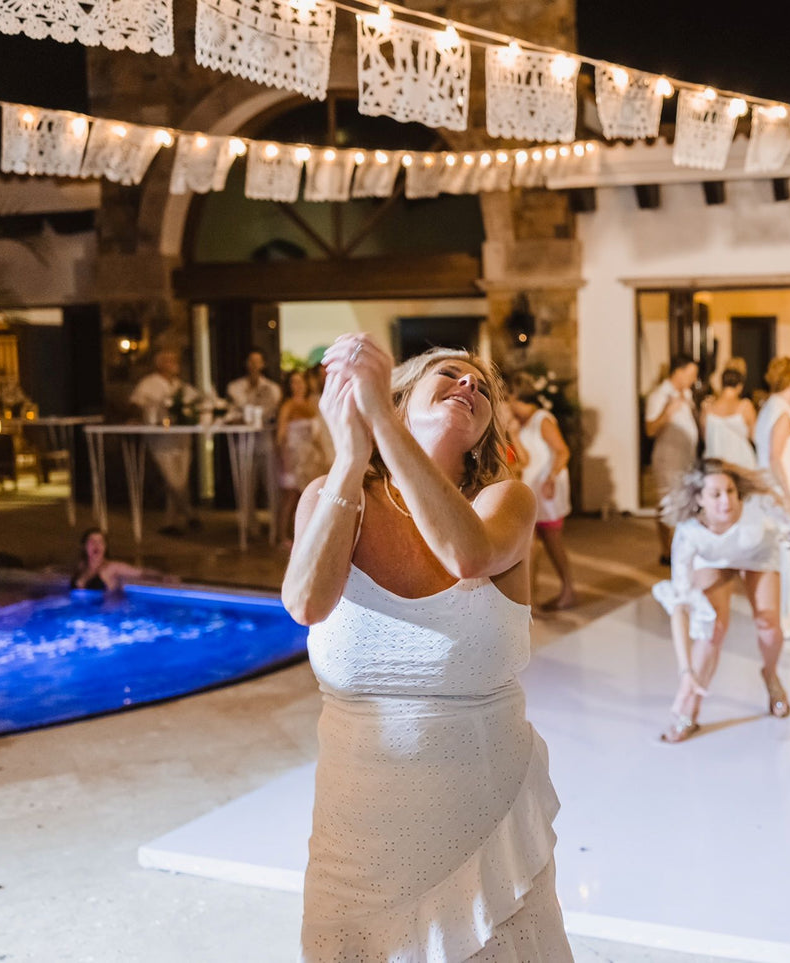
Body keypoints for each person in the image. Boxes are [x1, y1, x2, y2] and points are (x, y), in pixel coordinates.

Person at [283, 336, 571, 961]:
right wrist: (350, 458)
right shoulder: (330, 498)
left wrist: (381, 424)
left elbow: (467, 556)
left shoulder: (505, 501)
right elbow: (306, 603)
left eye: (481, 387)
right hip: (357, 831)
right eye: (450, 374)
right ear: (404, 396)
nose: (469, 386)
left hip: (481, 817)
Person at [651, 459, 790, 742]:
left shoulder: (758, 504)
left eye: (730, 491)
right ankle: (689, 709)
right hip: (713, 559)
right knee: (711, 629)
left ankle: (770, 674)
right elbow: (679, 607)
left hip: (757, 554)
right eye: (715, 494)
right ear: (699, 499)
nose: (726, 501)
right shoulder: (689, 532)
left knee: (769, 625)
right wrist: (685, 670)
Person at [754, 357, 790, 639]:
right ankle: (789, 621)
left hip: (774, 492)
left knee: (785, 556)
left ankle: (783, 617)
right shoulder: (781, 412)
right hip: (785, 492)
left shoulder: (771, 407)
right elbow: (775, 457)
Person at [508, 372, 578, 611]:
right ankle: (531, 595)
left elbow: (562, 451)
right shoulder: (522, 423)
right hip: (534, 488)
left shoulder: (542, 419)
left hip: (548, 488)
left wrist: (551, 478)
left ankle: (568, 589)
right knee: (533, 543)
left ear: (514, 397)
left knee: (552, 541)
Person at [129, 347, 201, 536]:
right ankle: (189, 513)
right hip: (161, 441)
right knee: (173, 480)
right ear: (159, 364)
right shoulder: (148, 384)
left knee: (181, 480)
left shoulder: (182, 386)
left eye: (175, 360)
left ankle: (170, 522)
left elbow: (196, 403)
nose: (174, 364)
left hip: (181, 439)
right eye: (169, 360)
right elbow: (136, 404)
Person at [644, 355, 700, 566]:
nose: (694, 379)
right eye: (691, 374)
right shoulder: (660, 395)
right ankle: (667, 550)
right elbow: (650, 429)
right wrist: (668, 412)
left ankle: (681, 547)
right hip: (668, 459)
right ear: (678, 371)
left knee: (685, 503)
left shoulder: (686, 394)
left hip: (687, 457)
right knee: (666, 504)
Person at [227, 348, 284, 534]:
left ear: (263, 364)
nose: (254, 365)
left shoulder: (272, 388)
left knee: (270, 484)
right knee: (245, 485)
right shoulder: (235, 387)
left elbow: (267, 412)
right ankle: (248, 526)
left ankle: (275, 526)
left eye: (257, 361)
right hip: (243, 441)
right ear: (246, 364)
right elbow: (237, 410)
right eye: (251, 361)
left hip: (265, 440)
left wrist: (247, 412)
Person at [276, 370, 331, 547]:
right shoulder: (288, 406)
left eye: (300, 382)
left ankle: (303, 534)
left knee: (308, 495)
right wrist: (285, 458)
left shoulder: (312, 404)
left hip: (310, 457)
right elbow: (281, 435)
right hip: (293, 456)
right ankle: (281, 535)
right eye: (293, 382)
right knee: (291, 495)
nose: (297, 386)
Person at [71, 527, 170, 591]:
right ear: (84, 546)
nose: (96, 545)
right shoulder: (81, 567)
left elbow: (141, 572)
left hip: (101, 616)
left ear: (105, 547)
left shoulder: (112, 567)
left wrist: (163, 577)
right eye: (92, 542)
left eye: (100, 542)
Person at [700, 364, 757, 469]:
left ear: (722, 383)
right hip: (741, 462)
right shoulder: (745, 406)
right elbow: (754, 435)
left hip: (715, 462)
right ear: (740, 386)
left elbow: (704, 436)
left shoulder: (707, 407)